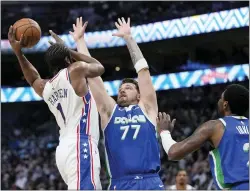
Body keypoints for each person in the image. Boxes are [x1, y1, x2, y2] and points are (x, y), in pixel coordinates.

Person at [66, 17, 164, 190]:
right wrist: (80, 41)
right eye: (120, 88)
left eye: (128, 88)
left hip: (151, 182)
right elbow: (93, 77)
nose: (122, 90)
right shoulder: (109, 111)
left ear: (139, 95)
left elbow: (143, 71)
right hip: (121, 183)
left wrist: (128, 38)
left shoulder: (147, 108)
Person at [8, 25, 104, 190]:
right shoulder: (76, 69)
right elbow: (99, 67)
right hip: (80, 143)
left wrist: (18, 53)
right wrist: (69, 50)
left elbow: (32, 79)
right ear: (68, 60)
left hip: (63, 151)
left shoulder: (46, 87)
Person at [157, 84, 249, 190]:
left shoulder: (216, 126)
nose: (218, 101)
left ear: (225, 105)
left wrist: (164, 132)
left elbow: (173, 153)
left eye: (221, 98)